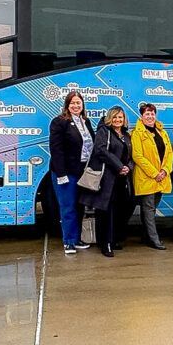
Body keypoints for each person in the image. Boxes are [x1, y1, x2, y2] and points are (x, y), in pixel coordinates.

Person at [78, 106, 134, 258]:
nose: (118, 120)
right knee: (105, 212)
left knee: (120, 210)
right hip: (107, 178)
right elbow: (101, 151)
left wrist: (127, 167)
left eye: (120, 118)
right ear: (110, 118)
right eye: (115, 117)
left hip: (122, 180)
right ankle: (106, 244)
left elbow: (131, 157)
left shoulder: (126, 135)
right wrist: (118, 166)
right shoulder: (104, 132)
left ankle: (114, 239)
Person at [48, 91, 95, 254]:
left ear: (83, 105)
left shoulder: (85, 122)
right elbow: (56, 149)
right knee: (68, 207)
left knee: (80, 206)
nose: (76, 106)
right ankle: (68, 241)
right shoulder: (59, 122)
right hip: (66, 173)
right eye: (73, 103)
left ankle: (77, 239)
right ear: (67, 105)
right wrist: (61, 174)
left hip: (82, 172)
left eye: (79, 103)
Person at [131, 102, 173, 250]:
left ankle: (145, 236)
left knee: (150, 209)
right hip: (147, 178)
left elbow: (169, 153)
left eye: (152, 113)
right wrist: (155, 173)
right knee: (148, 209)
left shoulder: (162, 132)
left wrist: (165, 171)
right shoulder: (137, 133)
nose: (150, 116)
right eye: (147, 114)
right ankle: (154, 239)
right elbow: (137, 156)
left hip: (161, 178)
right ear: (141, 116)